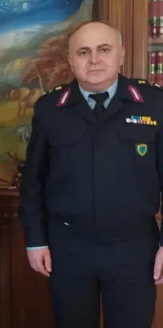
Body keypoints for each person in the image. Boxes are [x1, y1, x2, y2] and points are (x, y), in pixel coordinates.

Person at [19, 20, 163, 328]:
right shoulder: (49, 109)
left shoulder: (154, 104)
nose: (94, 59)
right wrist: (35, 241)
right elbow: (33, 182)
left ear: (121, 55)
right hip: (68, 247)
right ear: (71, 60)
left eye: (104, 49)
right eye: (84, 52)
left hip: (134, 249)